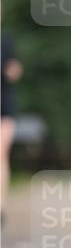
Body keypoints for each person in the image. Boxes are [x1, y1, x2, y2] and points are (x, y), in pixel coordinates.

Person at [1, 29, 23, 223]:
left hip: (3, 107)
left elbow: (14, 70)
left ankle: (1, 205)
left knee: (0, 154)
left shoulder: (5, 39)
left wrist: (12, 70)